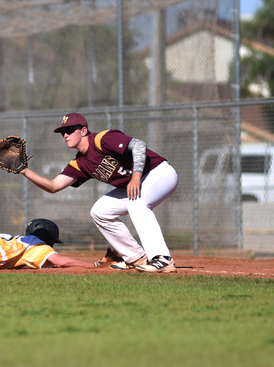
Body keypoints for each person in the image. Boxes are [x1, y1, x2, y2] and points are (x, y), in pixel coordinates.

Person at [19, 112, 178, 273]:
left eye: (70, 130)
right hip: (137, 184)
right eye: (63, 132)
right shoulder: (80, 163)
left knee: (136, 203)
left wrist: (136, 176)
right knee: (100, 211)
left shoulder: (100, 140)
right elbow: (53, 186)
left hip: (159, 173)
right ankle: (136, 258)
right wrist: (25, 171)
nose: (65, 135)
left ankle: (162, 258)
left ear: (83, 131)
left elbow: (138, 145)